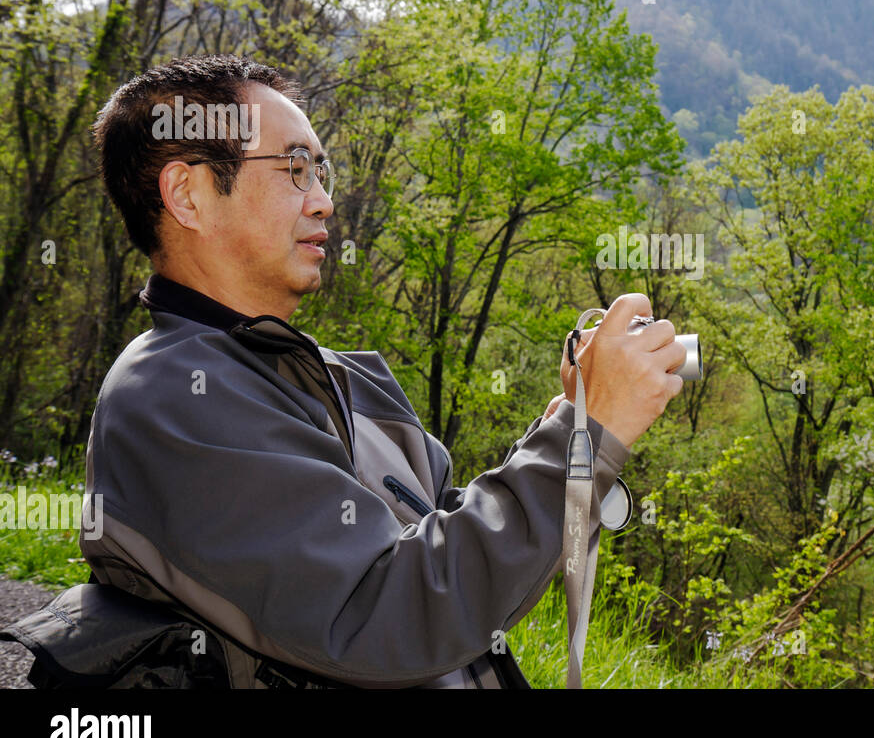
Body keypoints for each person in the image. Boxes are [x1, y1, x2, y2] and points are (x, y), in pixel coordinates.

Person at [79, 54, 686, 688]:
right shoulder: (171, 397)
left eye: (322, 171)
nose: (323, 202)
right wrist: (581, 440)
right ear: (189, 195)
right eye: (293, 170)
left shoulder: (348, 382)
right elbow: (383, 614)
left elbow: (455, 554)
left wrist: (573, 412)